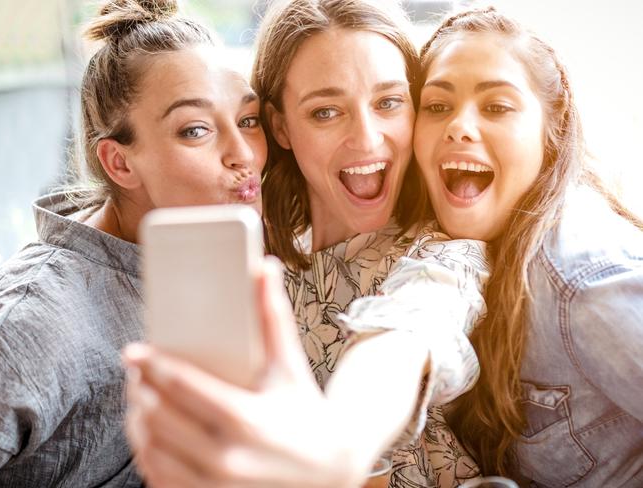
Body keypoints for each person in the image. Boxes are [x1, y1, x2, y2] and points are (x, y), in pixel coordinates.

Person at [125, 1, 489, 487]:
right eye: (325, 112)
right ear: (280, 128)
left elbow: (405, 334)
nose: (367, 138)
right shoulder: (254, 249)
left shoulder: (445, 257)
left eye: (388, 103)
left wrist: (334, 448)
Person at [0, 0, 266, 485]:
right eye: (195, 130)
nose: (243, 154)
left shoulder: (215, 257)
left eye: (248, 119)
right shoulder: (31, 322)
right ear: (119, 163)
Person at [413, 8, 643, 487]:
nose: (459, 126)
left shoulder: (580, 277)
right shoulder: (450, 252)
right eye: (437, 106)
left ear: (551, 128)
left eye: (496, 107)